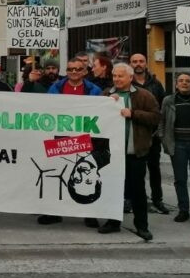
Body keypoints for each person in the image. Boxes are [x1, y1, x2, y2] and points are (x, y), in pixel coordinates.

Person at [39, 57, 104, 227]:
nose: (74, 72)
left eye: (77, 69)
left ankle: (89, 214)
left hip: (85, 138)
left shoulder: (95, 90)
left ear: (85, 71)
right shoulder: (56, 87)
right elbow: (47, 108)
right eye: (70, 69)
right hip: (61, 137)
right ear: (66, 71)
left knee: (86, 175)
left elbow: (102, 112)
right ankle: (54, 212)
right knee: (56, 174)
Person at [99, 63, 160, 241]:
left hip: (135, 152)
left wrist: (133, 113)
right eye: (114, 76)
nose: (117, 79)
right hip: (112, 153)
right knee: (113, 189)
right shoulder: (106, 95)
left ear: (130, 77)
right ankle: (113, 222)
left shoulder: (144, 95)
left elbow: (156, 117)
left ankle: (142, 226)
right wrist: (107, 105)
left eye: (120, 76)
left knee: (137, 190)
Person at [159, 73, 190, 224]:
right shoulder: (168, 100)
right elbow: (162, 121)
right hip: (177, 145)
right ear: (176, 84)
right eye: (181, 81)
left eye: (188, 81)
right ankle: (183, 210)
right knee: (180, 179)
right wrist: (163, 139)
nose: (184, 83)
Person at [129, 53, 168, 214]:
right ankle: (135, 199)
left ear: (146, 63)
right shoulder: (125, 83)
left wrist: (158, 131)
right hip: (133, 135)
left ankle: (157, 199)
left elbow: (161, 109)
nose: (138, 64)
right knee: (134, 171)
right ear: (130, 64)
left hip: (152, 135)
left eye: (141, 61)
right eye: (134, 61)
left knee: (154, 168)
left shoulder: (156, 84)